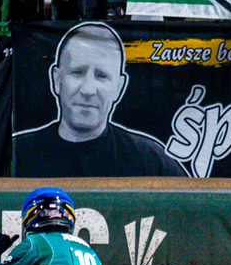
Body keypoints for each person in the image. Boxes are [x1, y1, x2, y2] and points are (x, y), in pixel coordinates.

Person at [15, 21, 185, 177]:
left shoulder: (149, 159)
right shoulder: (17, 154)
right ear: (57, 79)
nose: (88, 90)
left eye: (102, 76)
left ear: (119, 87)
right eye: (77, 72)